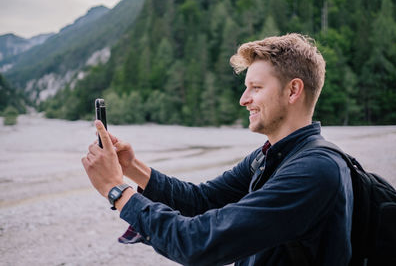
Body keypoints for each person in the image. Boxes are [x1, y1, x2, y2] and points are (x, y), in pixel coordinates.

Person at [82, 33, 353, 266]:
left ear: (293, 90)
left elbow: (199, 242)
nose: (243, 99)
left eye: (255, 88)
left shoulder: (314, 172)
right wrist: (132, 168)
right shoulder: (271, 156)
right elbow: (202, 201)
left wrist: (116, 189)